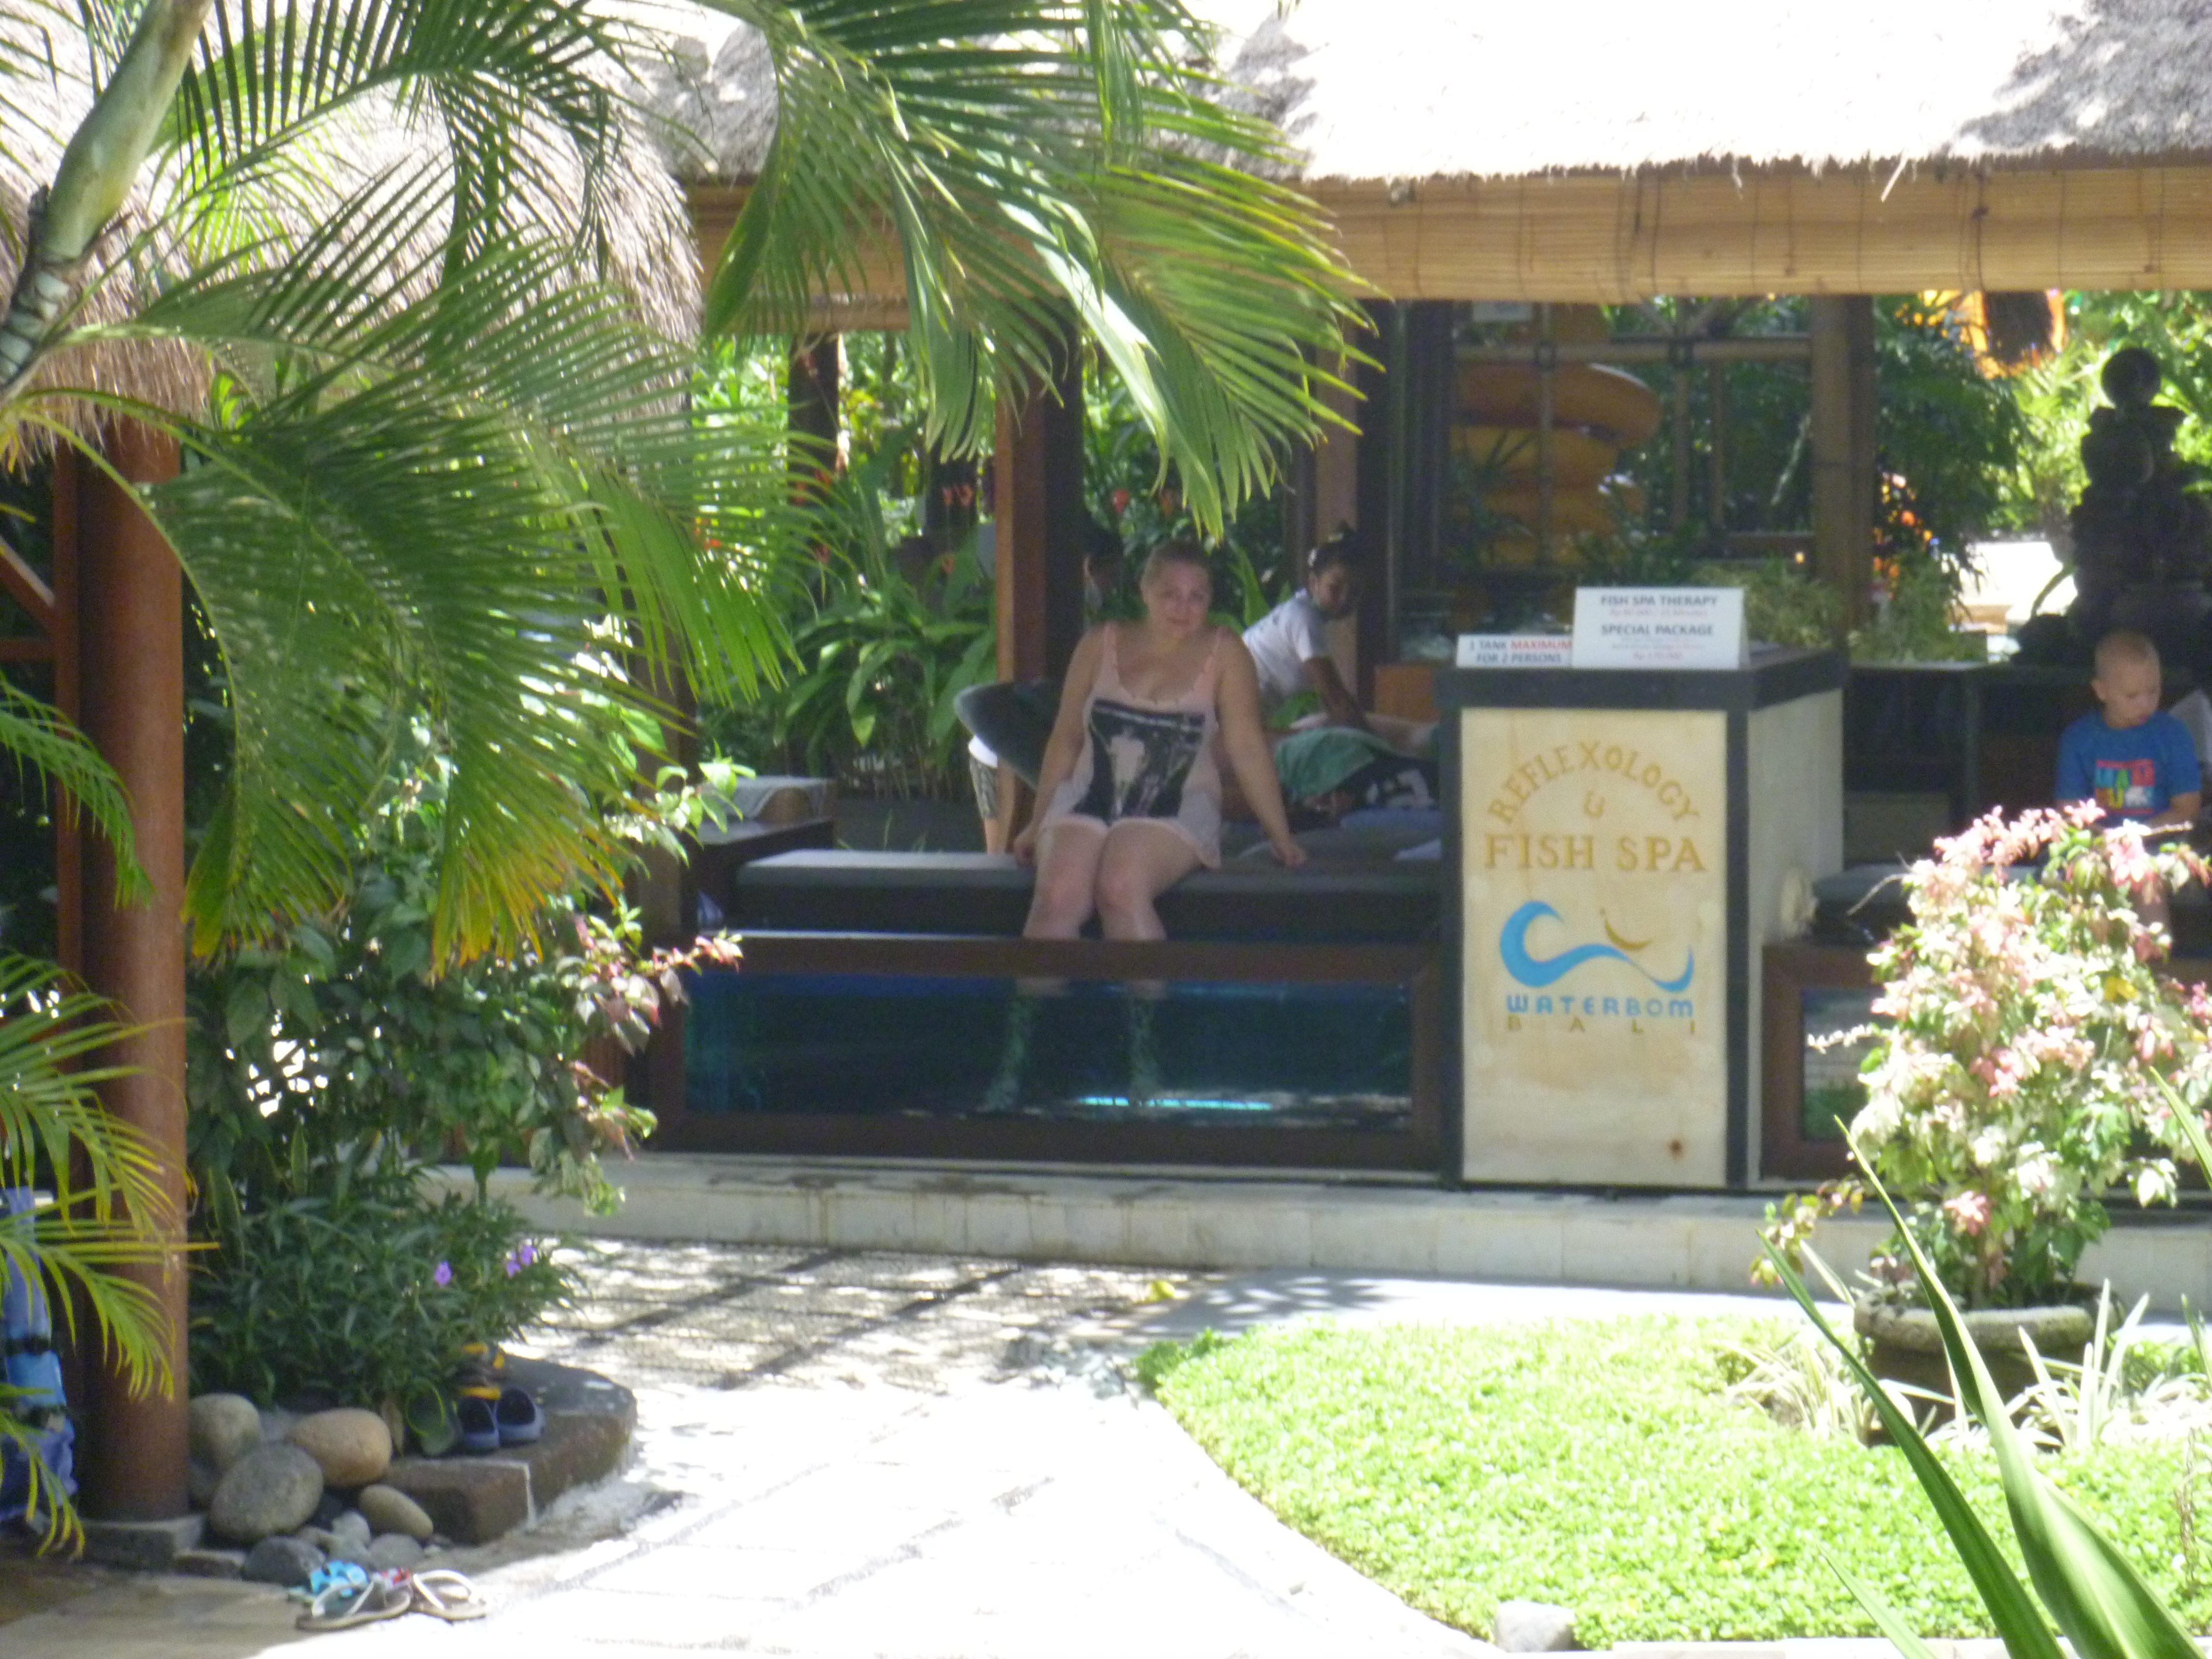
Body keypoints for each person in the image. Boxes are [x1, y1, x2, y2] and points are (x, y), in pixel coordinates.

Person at [1015, 539, 1305, 941]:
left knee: (1119, 886)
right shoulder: (1099, 643)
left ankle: (1149, 987)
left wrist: (1280, 834)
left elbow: (1247, 747)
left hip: (1177, 803)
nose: (1183, 608)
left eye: (1196, 597)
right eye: (1171, 594)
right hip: (1090, 796)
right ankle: (1042, 986)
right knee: (1057, 896)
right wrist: (1036, 821)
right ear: (1145, 591)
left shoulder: (1225, 652)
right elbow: (1066, 739)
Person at [958, 522, 1125, 851]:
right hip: (1001, 751)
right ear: (1090, 567)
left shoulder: (1083, 617)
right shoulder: (1073, 615)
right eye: (1111, 576)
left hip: (1011, 749)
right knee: (1003, 854)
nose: (1112, 587)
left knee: (1008, 853)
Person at [1241, 528, 1433, 755]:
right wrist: (1379, 749)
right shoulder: (1303, 618)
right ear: (1314, 582)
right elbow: (1335, 699)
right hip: (1228, 731)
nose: (1344, 599)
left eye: (1354, 593)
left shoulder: (1300, 613)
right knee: (1330, 742)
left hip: (1244, 727)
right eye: (1335, 588)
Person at [2056, 628, 2202, 831]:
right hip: (2097, 844)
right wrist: (2106, 839)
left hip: (2160, 842)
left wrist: (2137, 836)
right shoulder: (2078, 740)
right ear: (2102, 691)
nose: (2145, 704)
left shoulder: (2173, 736)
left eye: (2153, 692)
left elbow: (2187, 809)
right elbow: (2069, 809)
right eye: (2132, 696)